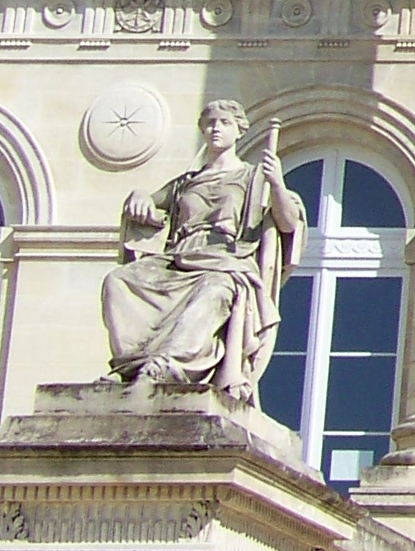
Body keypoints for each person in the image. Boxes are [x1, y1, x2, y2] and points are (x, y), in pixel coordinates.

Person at [101, 97, 303, 410]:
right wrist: (138, 197)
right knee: (119, 280)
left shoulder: (253, 177)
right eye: (209, 123)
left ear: (239, 131)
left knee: (214, 289)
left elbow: (288, 222)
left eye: (224, 123)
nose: (215, 129)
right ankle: (130, 364)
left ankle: (165, 364)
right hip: (177, 258)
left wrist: (276, 182)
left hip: (225, 261)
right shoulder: (187, 181)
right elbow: (152, 204)